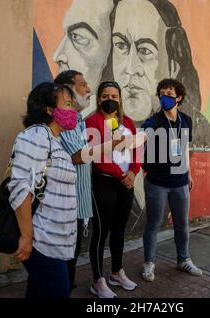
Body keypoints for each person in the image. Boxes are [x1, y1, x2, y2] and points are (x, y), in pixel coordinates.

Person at [105, 0, 210, 150]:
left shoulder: (195, 128)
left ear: (173, 66)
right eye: (121, 45)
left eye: (145, 50)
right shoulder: (102, 119)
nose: (130, 68)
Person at [8, 82, 78, 298]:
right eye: (67, 104)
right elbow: (21, 188)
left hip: (56, 241)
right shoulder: (36, 136)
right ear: (49, 110)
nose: (73, 110)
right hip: (43, 242)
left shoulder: (53, 139)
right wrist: (27, 237)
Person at [141, 78, 202, 283]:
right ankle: (149, 263)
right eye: (162, 93)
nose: (165, 97)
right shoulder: (153, 121)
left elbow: (184, 148)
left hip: (180, 182)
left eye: (169, 93)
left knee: (182, 224)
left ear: (179, 97)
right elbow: (141, 142)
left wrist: (189, 173)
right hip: (157, 182)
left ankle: (183, 259)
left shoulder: (186, 120)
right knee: (153, 224)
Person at [85, 81, 142, 298]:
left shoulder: (127, 122)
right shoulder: (92, 121)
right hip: (105, 182)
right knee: (101, 232)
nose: (110, 100)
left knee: (119, 230)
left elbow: (137, 148)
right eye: (106, 96)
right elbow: (96, 156)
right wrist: (121, 174)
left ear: (120, 99)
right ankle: (97, 281)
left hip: (126, 183)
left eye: (114, 96)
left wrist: (133, 172)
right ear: (99, 99)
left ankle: (117, 273)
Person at [54, 70, 93, 292]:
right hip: (67, 203)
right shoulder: (64, 120)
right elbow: (78, 156)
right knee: (65, 254)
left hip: (79, 201)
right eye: (83, 85)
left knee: (73, 252)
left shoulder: (78, 119)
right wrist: (111, 146)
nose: (88, 90)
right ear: (67, 88)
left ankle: (66, 284)